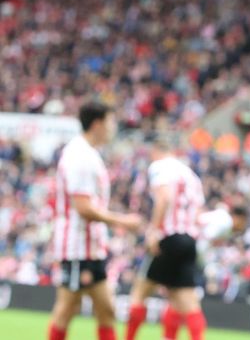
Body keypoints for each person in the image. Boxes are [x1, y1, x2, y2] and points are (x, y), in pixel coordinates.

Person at [48, 102, 143, 340]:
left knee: (106, 310)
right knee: (67, 309)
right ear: (97, 124)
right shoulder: (80, 156)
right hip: (78, 249)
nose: (114, 128)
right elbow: (84, 208)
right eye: (111, 122)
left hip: (91, 249)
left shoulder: (87, 153)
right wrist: (123, 221)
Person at [125, 140, 206, 340]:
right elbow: (198, 213)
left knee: (140, 293)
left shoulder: (160, 167)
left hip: (169, 238)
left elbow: (164, 198)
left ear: (156, 151)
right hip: (190, 241)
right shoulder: (191, 175)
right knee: (183, 299)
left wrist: (153, 231)